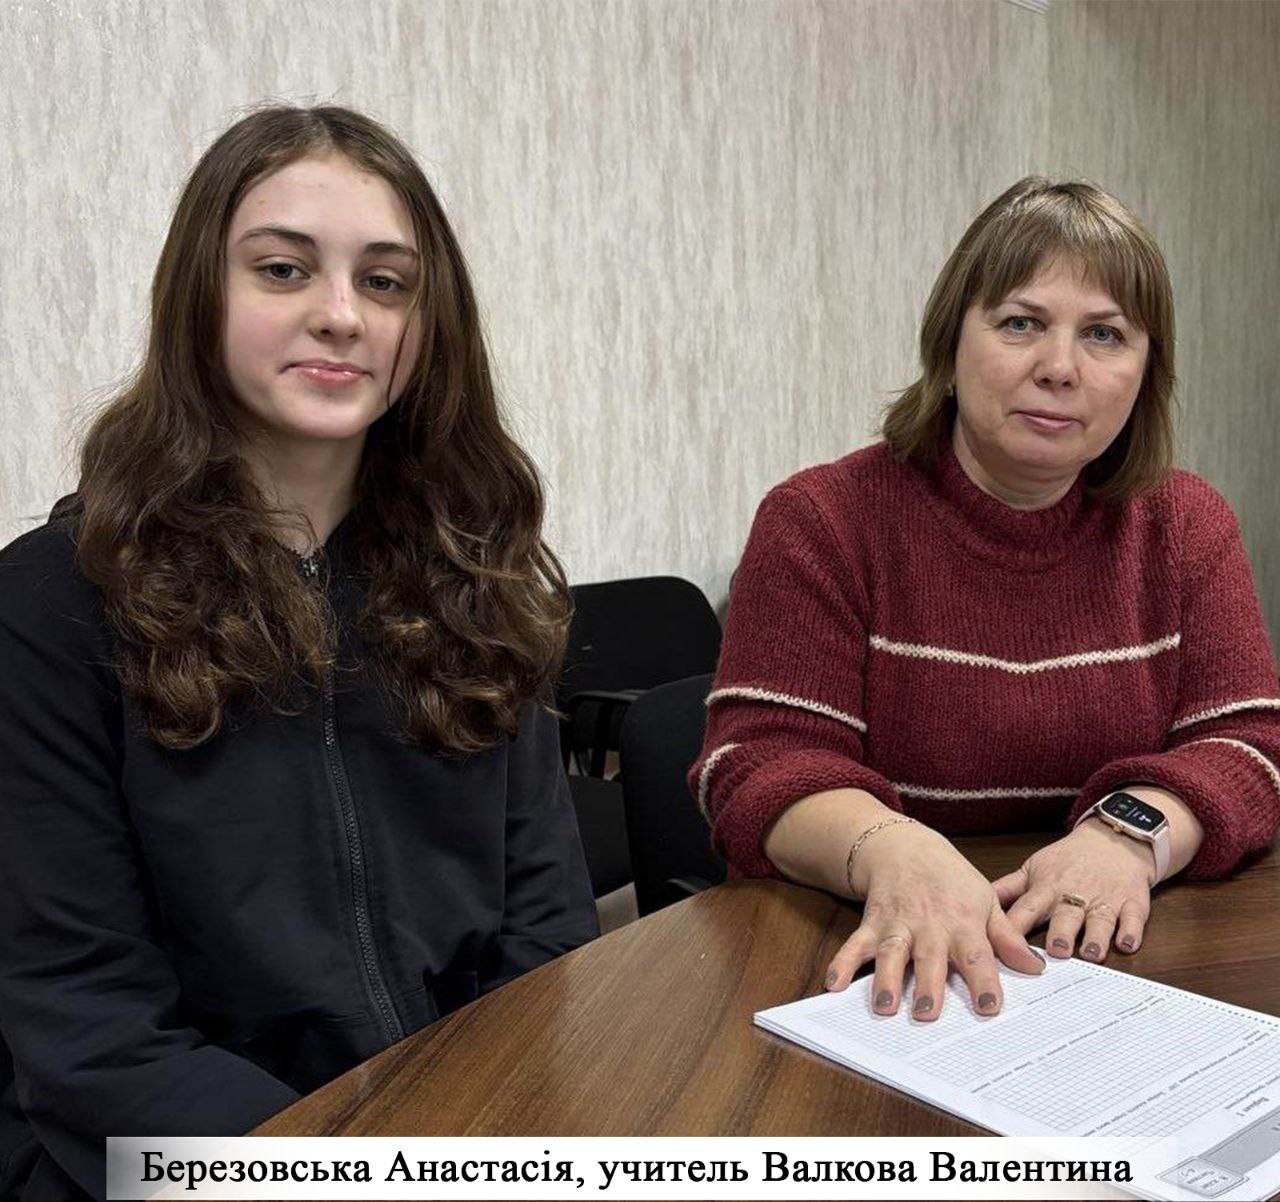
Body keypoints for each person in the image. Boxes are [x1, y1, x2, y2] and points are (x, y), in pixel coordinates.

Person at [0, 105, 597, 1201]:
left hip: (457, 1131)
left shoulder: (478, 581)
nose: (340, 315)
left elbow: (547, 933)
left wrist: (483, 1141)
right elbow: (91, 1030)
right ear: (199, 295)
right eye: (282, 270)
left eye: (385, 282)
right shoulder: (49, 605)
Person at [692, 176, 1280, 1028]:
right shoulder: (821, 520)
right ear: (950, 343)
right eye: (1020, 323)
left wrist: (1124, 836)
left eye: (1104, 334)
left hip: (1112, 966)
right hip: (869, 963)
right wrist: (892, 849)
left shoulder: (1187, 525)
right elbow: (755, 765)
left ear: (1146, 371)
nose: (1060, 368)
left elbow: (1249, 747)